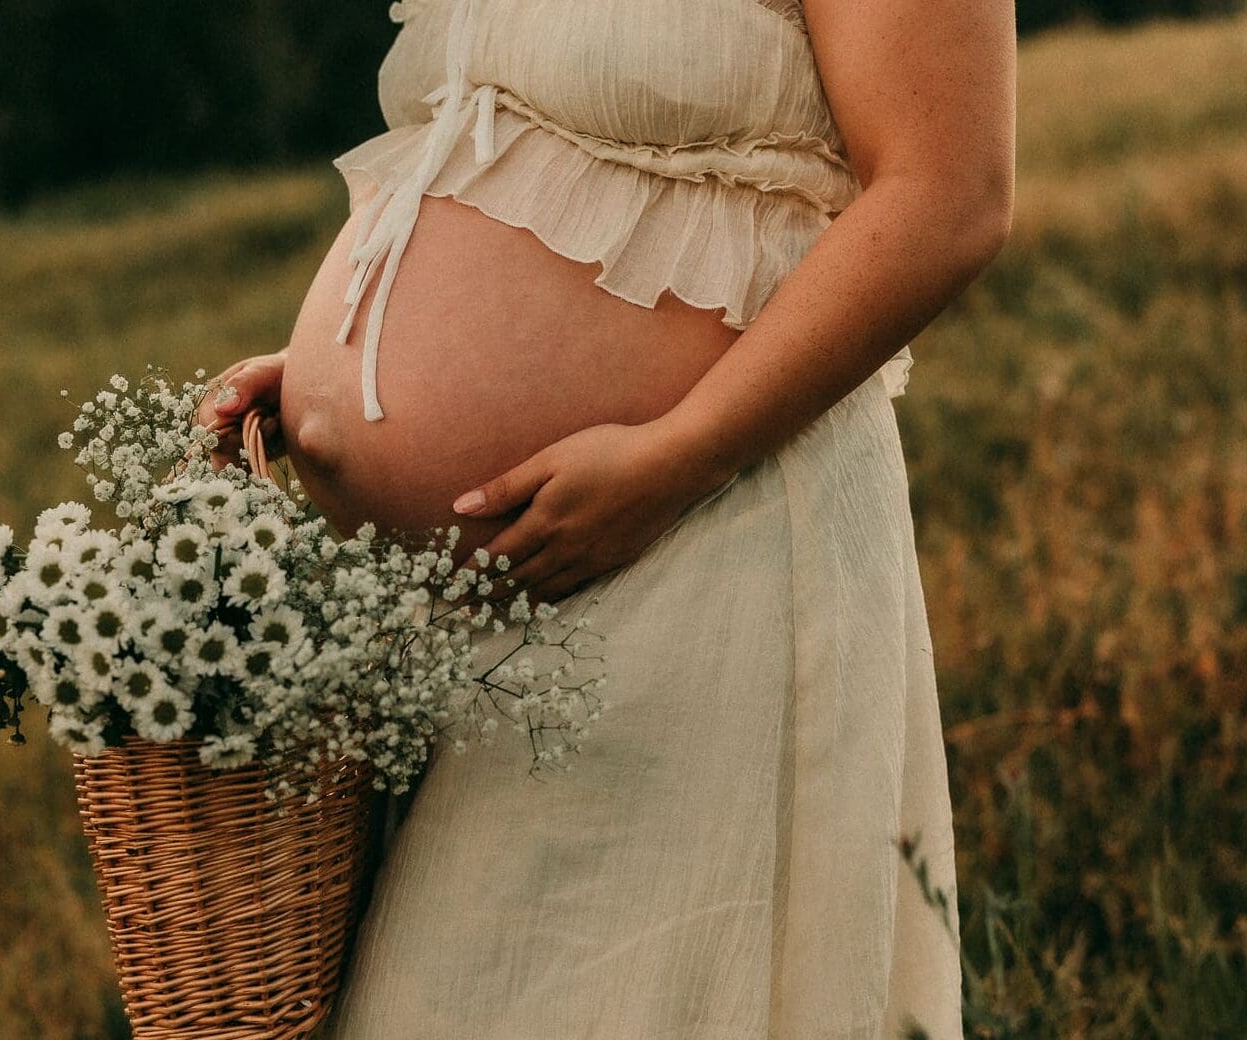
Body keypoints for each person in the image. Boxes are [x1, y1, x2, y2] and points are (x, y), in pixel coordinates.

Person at [198, 0, 1014, 1035]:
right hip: (457, 634)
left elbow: (951, 196)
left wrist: (679, 455)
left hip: (699, 545)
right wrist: (344, 370)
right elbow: (511, 161)